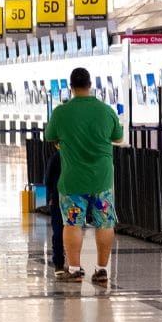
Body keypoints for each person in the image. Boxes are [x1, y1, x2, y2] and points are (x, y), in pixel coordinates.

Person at [43, 66, 124, 285]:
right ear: (90, 85)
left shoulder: (62, 112)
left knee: (72, 224)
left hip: (72, 180)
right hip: (102, 180)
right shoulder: (106, 111)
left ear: (71, 87)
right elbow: (118, 137)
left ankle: (75, 269)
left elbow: (50, 136)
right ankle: (101, 270)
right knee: (105, 224)